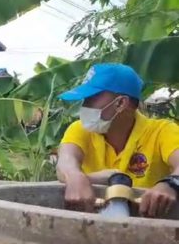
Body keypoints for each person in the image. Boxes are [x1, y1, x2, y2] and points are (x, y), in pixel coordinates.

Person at [56, 63, 179, 218]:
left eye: (90, 99)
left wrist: (170, 184)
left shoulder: (162, 131)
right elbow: (66, 159)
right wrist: (75, 177)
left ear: (120, 103)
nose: (84, 107)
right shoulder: (80, 129)